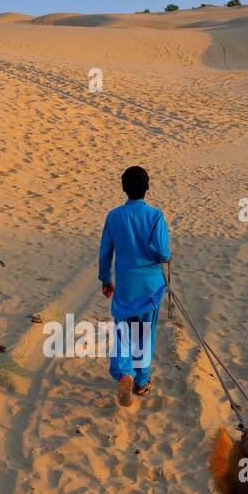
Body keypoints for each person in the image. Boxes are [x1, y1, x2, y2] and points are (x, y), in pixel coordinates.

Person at [98, 166, 171, 407]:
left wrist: (105, 279)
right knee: (145, 334)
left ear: (123, 188)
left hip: (126, 287)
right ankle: (141, 381)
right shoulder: (156, 216)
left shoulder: (114, 216)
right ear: (147, 188)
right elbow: (163, 253)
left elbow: (105, 252)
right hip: (150, 287)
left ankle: (125, 372)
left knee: (124, 332)